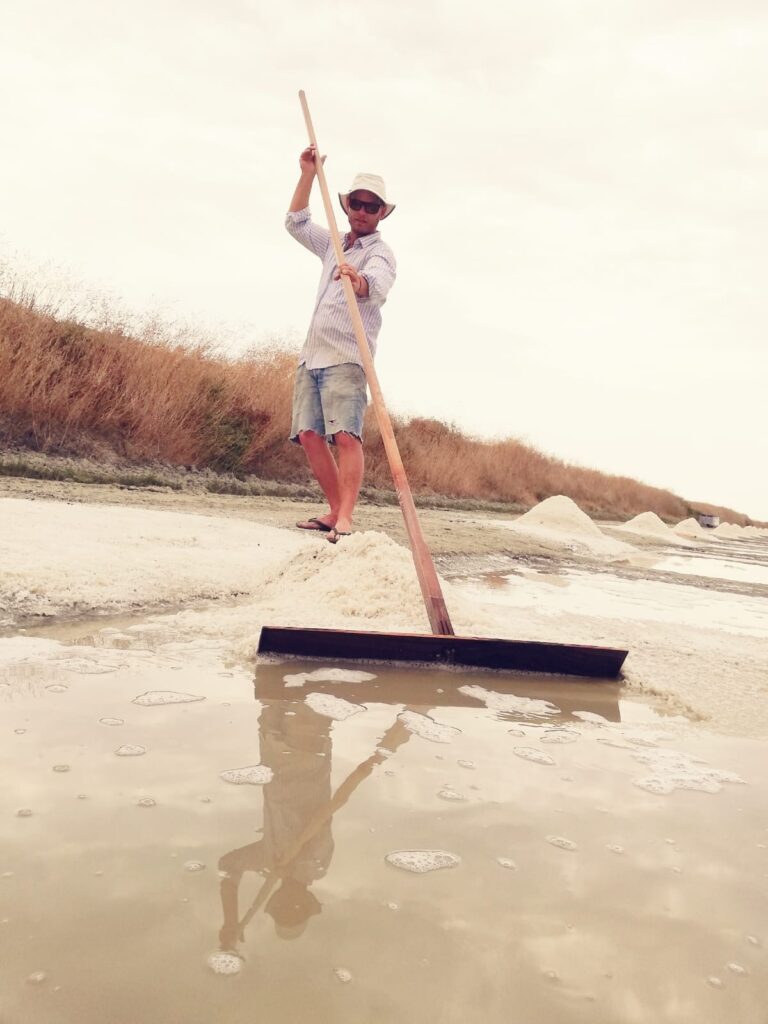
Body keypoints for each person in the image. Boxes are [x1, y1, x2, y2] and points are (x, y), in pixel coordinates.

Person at [285, 145, 396, 544]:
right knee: (310, 435)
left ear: (382, 212)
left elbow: (378, 286)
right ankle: (333, 511)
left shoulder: (380, 253)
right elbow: (296, 223)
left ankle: (346, 517)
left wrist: (358, 280)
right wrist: (308, 174)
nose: (363, 212)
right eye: (357, 204)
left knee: (345, 435)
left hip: (348, 357)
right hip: (312, 354)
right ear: (348, 206)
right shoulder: (333, 241)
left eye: (372, 207)